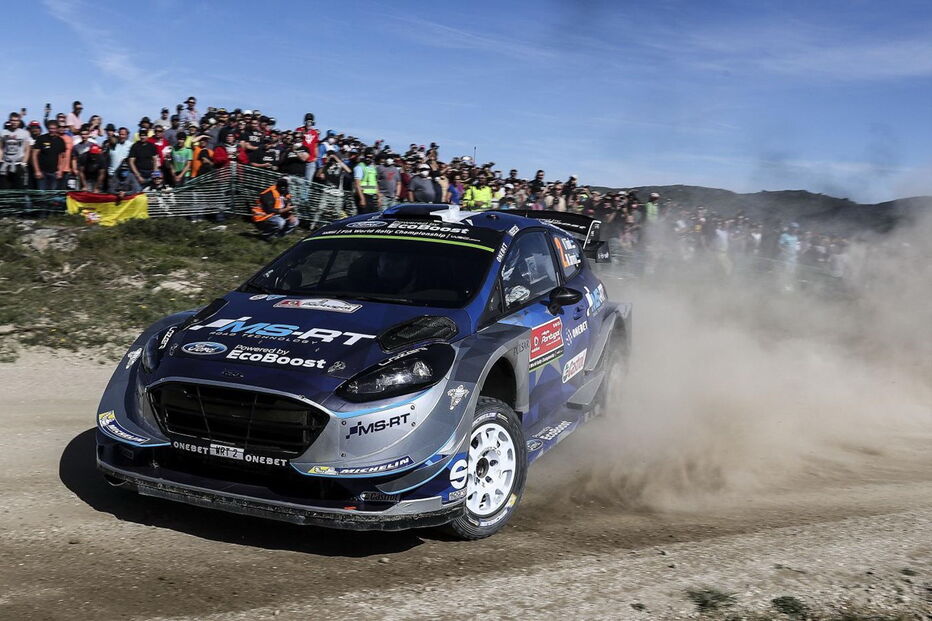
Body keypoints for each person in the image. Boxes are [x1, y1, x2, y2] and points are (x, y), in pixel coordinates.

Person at [30, 120, 66, 190]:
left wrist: (60, 170)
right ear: (47, 128)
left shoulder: (60, 141)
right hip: (42, 172)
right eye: (50, 128)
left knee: (52, 194)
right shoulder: (41, 138)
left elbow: (62, 157)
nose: (52, 130)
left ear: (57, 129)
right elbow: (34, 155)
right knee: (42, 193)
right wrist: (37, 170)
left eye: (54, 128)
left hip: (54, 172)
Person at [1, 112, 31, 190]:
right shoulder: (3, 133)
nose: (14, 122)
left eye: (16, 120)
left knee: (18, 190)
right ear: (9, 121)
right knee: (4, 190)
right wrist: (0, 160)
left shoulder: (25, 133)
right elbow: (1, 148)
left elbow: (27, 149)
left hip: (18, 164)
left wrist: (24, 163)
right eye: (12, 120)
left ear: (19, 121)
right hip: (6, 164)